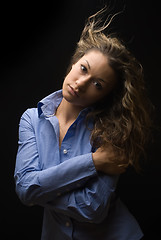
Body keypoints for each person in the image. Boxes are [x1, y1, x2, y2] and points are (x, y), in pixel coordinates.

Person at [14, 8, 152, 240]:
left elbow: (92, 209)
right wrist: (94, 161)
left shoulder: (112, 130)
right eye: (83, 69)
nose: (81, 83)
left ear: (105, 95)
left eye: (98, 84)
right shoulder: (31, 119)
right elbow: (25, 189)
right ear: (75, 61)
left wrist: (40, 189)